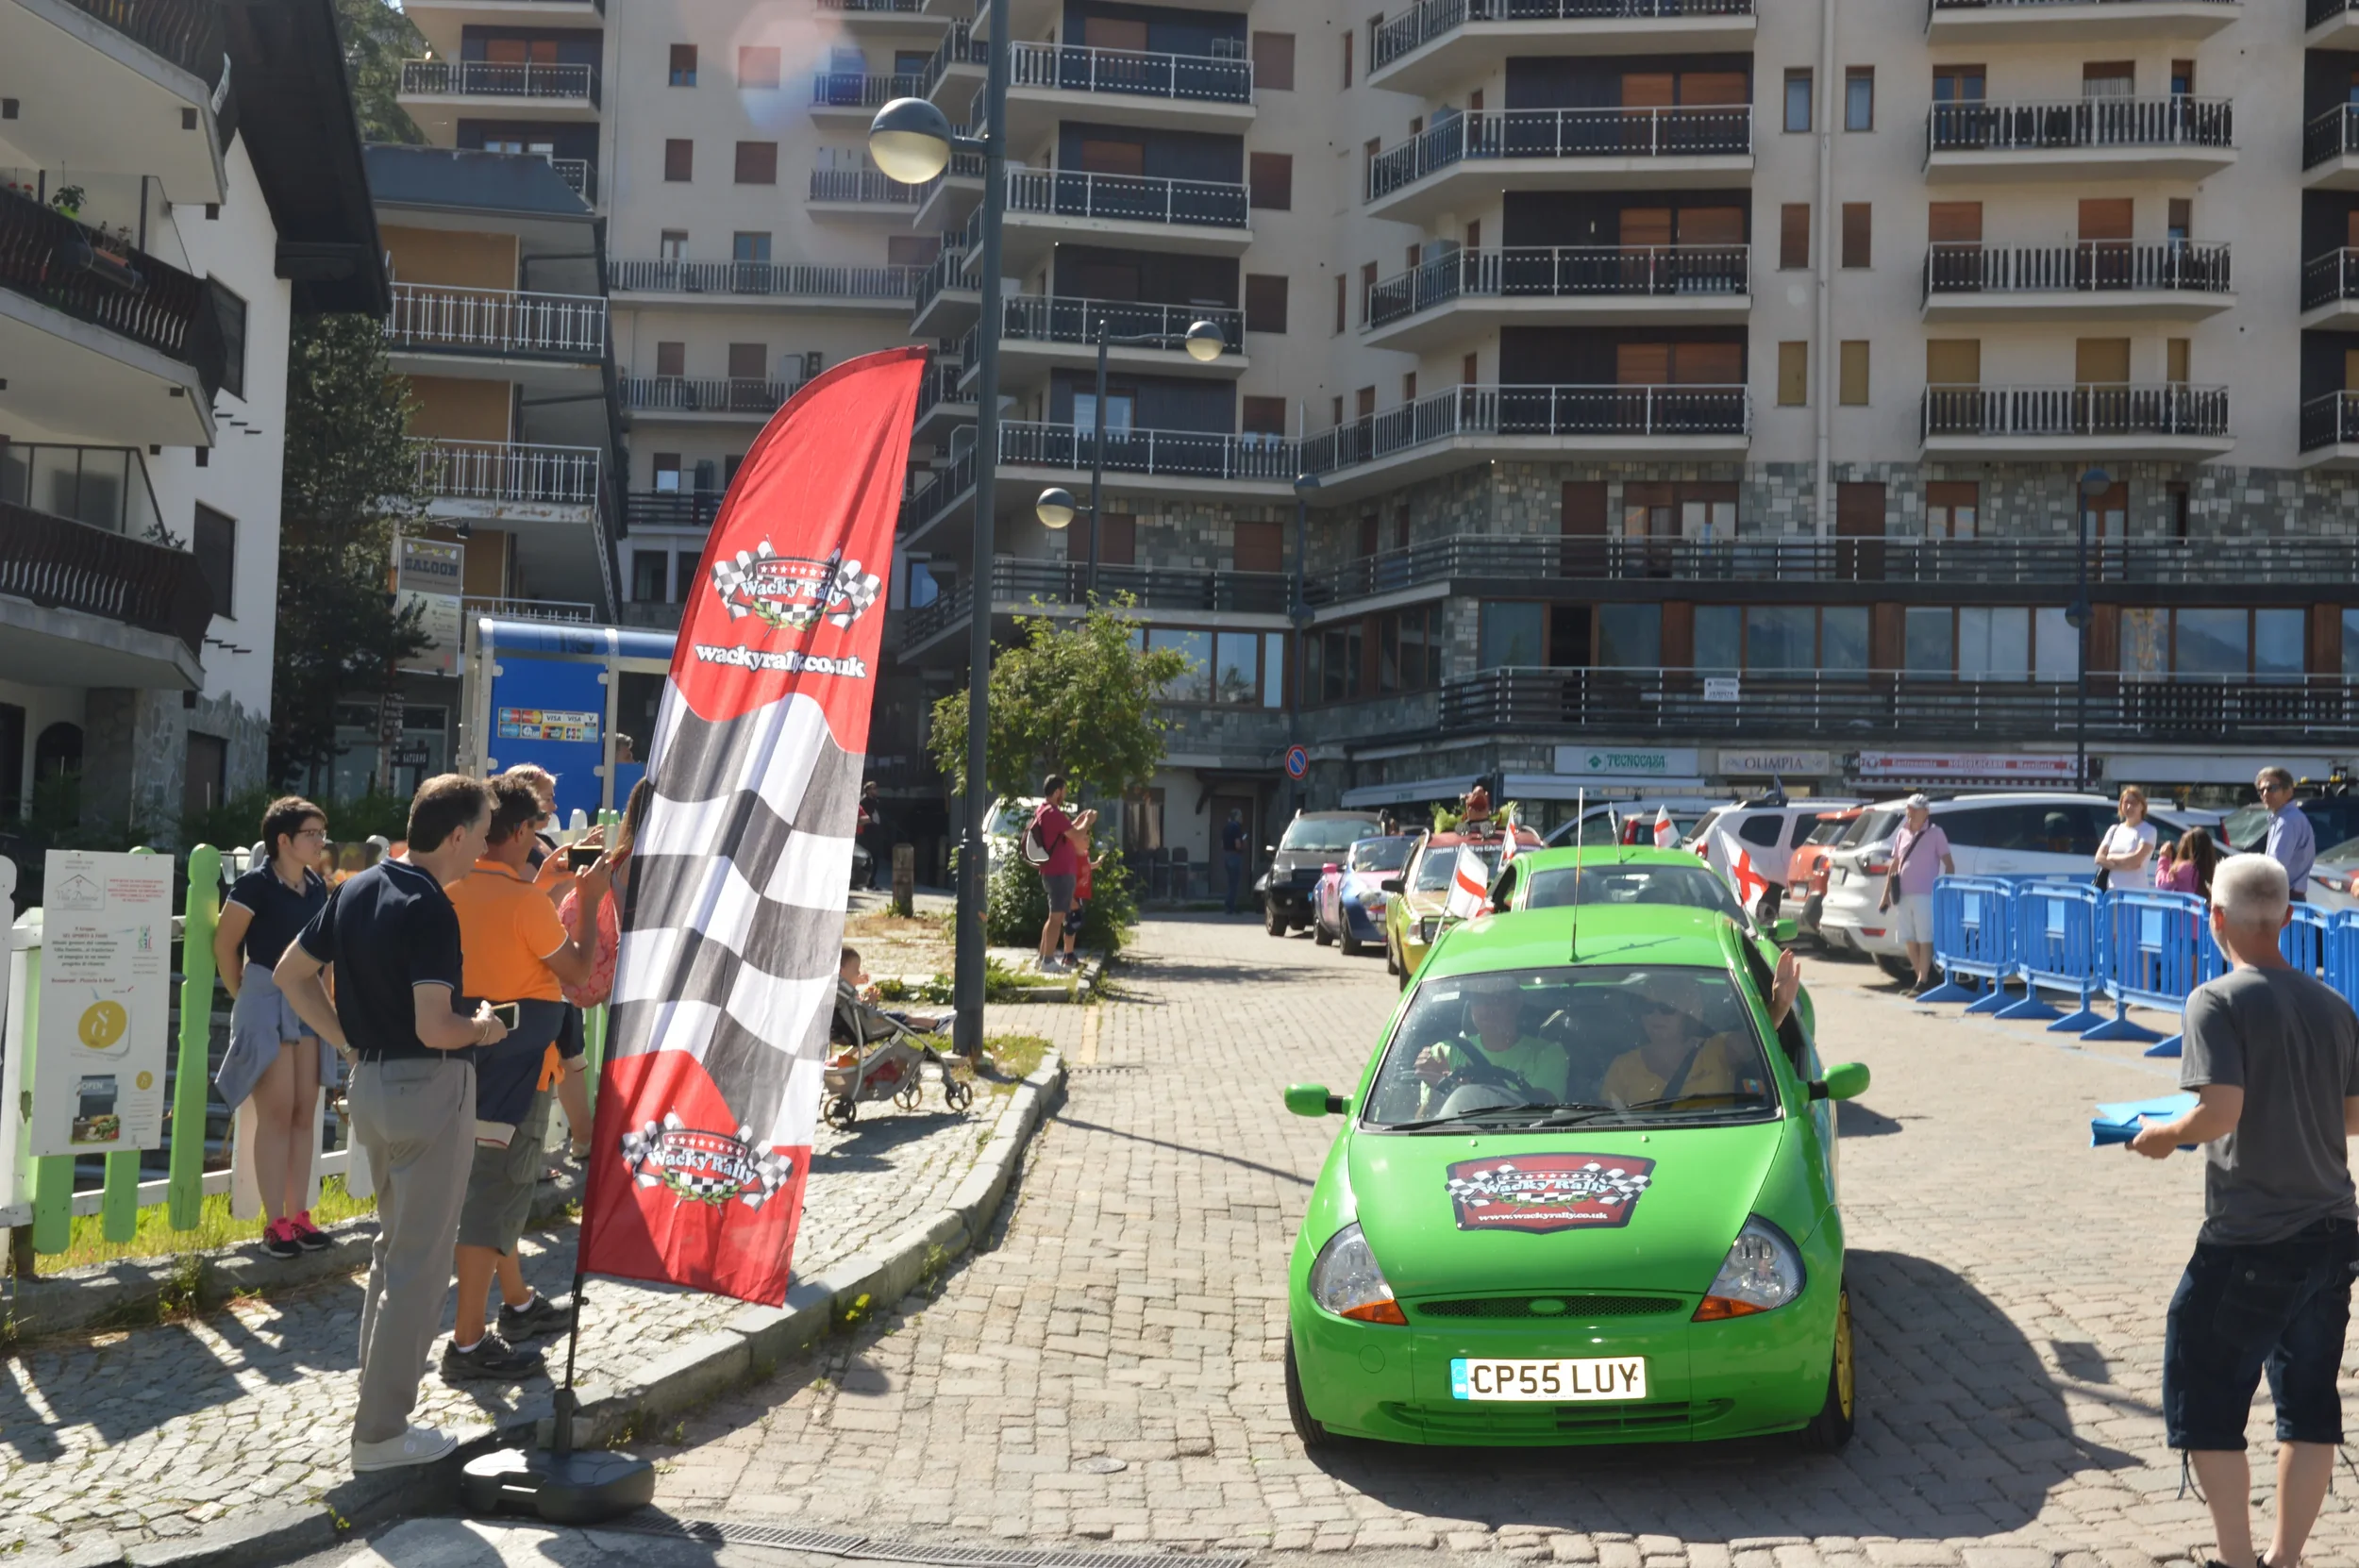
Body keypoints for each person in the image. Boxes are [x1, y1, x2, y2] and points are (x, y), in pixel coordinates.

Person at [274, 775, 509, 1473]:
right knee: (418, 1266)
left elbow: (292, 972)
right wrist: (485, 1026)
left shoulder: (354, 887)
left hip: (370, 1082)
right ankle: (380, 1436)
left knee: (391, 1256)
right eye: (486, 828)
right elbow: (436, 1025)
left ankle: (375, 1416)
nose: (489, 843)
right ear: (458, 834)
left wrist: (346, 1040)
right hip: (428, 1088)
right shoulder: (433, 907)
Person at [2131, 854, 2359, 1568]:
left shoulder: (2215, 1000)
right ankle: (2285, 1557)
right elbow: (2353, 1117)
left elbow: (2220, 1110)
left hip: (2252, 1237)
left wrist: (2164, 1135)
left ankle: (2235, 1558)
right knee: (2309, 1404)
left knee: (2205, 1393)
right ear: (2289, 916)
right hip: (2334, 1233)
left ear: (2215, 917)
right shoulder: (2334, 1005)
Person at [441, 776, 617, 1382]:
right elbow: (574, 971)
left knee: (497, 1193)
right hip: (517, 1067)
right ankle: (467, 1342)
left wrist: (543, 886)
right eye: (536, 828)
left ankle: (516, 1304)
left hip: (460, 1059)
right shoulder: (526, 904)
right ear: (519, 832)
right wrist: (588, 900)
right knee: (494, 1197)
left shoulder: (454, 887)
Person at [214, 796, 336, 1259]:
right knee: (278, 1109)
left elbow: (322, 954)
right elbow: (226, 944)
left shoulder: (317, 888)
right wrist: (243, 991)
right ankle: (274, 1222)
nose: (319, 841)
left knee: (307, 1109)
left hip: (306, 998)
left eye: (321, 833)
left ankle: (300, 1215)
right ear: (283, 840)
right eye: (311, 833)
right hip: (266, 996)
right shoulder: (254, 885)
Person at [502, 764, 594, 1161]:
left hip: (551, 959)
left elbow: (552, 886)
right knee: (548, 1061)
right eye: (546, 797)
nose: (554, 804)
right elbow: (535, 900)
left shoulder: (539, 840)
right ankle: (540, 1155)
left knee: (571, 1056)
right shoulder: (515, 846)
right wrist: (576, 878)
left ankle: (584, 1140)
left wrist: (584, 861)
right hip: (534, 968)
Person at [1603, 959, 1798, 1108]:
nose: (1655, 1015)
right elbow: (1607, 1124)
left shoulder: (1717, 1050)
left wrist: (1779, 1006)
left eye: (1665, 1008)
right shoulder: (1623, 1067)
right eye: (1646, 1007)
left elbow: (1759, 1039)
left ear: (1688, 1013)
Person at [1414, 986, 1571, 1109]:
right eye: (1478, 1000)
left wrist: (1467, 1091)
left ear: (1517, 1003)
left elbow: (1545, 1110)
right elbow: (1423, 1120)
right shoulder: (1445, 1053)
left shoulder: (1547, 1054)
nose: (1486, 1009)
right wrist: (1440, 1089)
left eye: (1497, 999)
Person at [1879, 794, 1955, 994]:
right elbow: (1894, 866)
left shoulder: (1935, 833)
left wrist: (1943, 889)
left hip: (1925, 894)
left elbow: (1949, 864)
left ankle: (1923, 980)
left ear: (1925, 812)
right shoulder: (1902, 834)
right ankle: (1920, 979)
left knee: (1924, 938)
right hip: (1902, 895)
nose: (1909, 813)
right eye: (1908, 809)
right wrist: (1885, 895)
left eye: (1914, 810)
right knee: (1908, 938)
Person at [1029, 775, 1095, 974]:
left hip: (1053, 871)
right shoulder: (1053, 813)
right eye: (1064, 791)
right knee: (1057, 918)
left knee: (1053, 917)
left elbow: (1066, 831)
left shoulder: (1044, 811)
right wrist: (1088, 821)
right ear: (1057, 792)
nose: (1065, 794)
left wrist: (1079, 820)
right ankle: (1048, 961)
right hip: (1059, 873)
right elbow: (1076, 835)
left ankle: (1042, 959)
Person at [2257, 767, 2315, 902]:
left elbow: (2274, 866)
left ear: (2288, 790)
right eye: (2261, 790)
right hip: (2286, 896)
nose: (2265, 794)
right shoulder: (2283, 818)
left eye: (2271, 788)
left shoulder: (2287, 821)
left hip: (2285, 898)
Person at [2096, 785, 2159, 892]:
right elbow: (2099, 858)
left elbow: (2136, 861)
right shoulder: (2114, 829)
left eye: (2134, 803)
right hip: (2112, 892)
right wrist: (2124, 864)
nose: (2129, 807)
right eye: (2126, 802)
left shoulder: (2148, 831)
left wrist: (2110, 857)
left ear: (2142, 806)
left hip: (2135, 893)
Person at [2162, 828, 2221, 899]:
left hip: (2184, 909)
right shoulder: (2212, 869)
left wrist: (2164, 858)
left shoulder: (2185, 867)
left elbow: (2162, 885)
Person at [1220, 808, 1248, 916]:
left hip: (1226, 855)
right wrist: (1243, 843)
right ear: (1236, 817)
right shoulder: (1236, 828)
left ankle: (1229, 904)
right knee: (1234, 883)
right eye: (1240, 816)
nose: (1242, 818)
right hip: (1234, 856)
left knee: (1230, 882)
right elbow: (1238, 845)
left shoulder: (1225, 828)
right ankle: (1230, 905)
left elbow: (1222, 845)